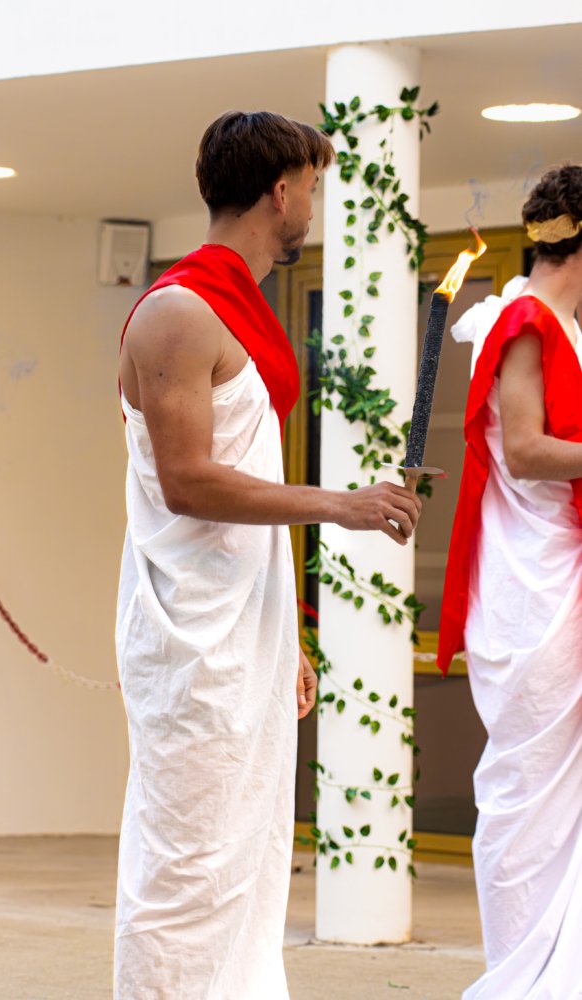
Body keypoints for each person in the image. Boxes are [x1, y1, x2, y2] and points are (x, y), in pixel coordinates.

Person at [114, 110, 422, 1000]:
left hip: (245, 625)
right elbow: (187, 482)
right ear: (280, 192)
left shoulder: (234, 306)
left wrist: (287, 638)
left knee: (246, 858)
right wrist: (341, 505)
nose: (314, 209)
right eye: (313, 189)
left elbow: (241, 479)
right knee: (189, 861)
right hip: (190, 631)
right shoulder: (178, 312)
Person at [438, 164, 582, 999]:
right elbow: (525, 451)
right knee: (529, 781)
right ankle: (521, 978)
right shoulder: (526, 320)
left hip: (556, 565)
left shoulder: (561, 323)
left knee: (560, 784)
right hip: (531, 581)